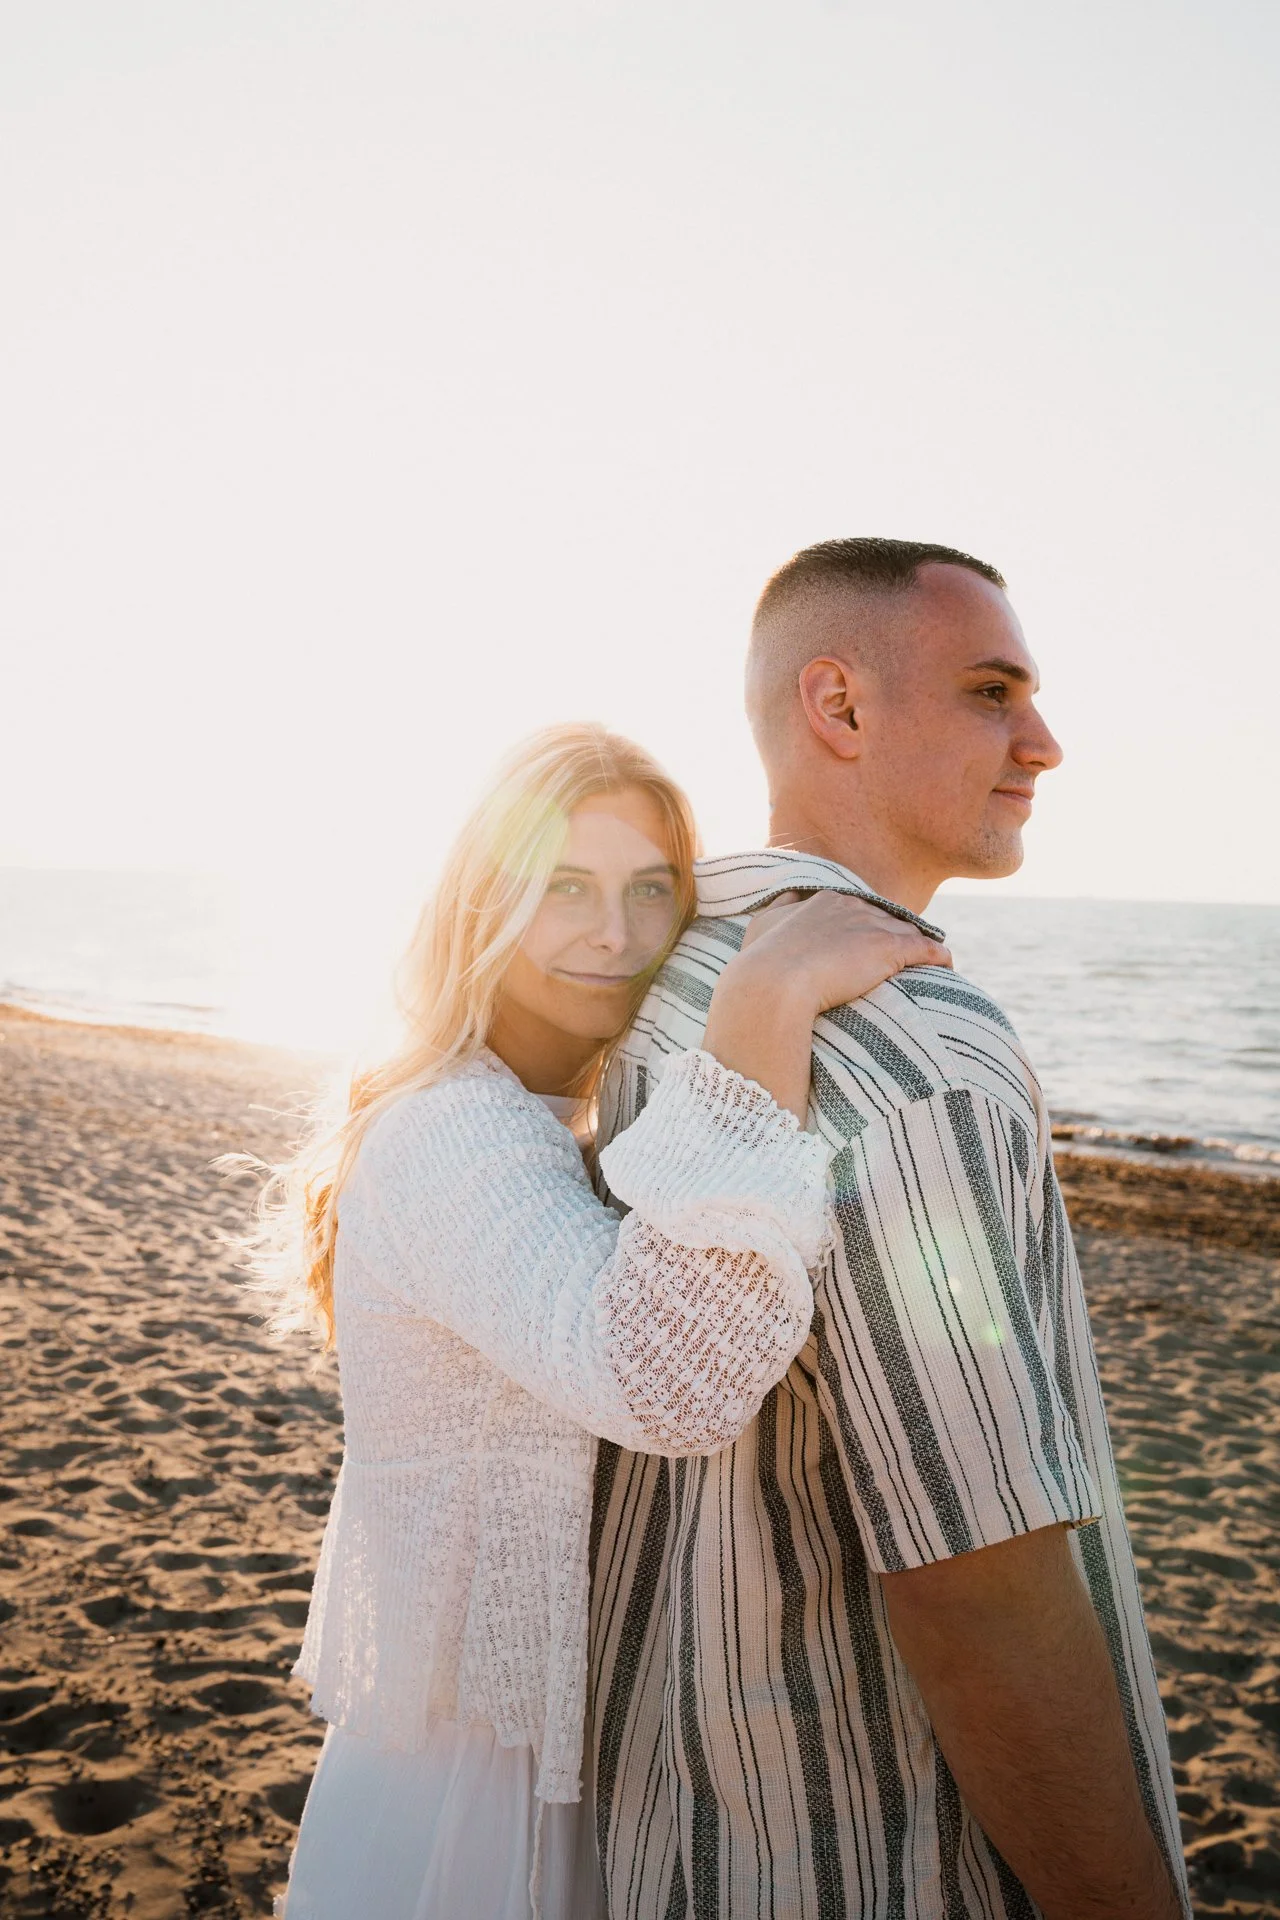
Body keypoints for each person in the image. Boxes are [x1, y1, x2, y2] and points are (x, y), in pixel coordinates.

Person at [246, 723, 947, 1920]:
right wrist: (762, 1003)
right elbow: (666, 1387)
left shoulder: (541, 1120)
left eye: (650, 890)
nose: (614, 936)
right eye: (563, 886)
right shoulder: (454, 1131)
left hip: (540, 1743)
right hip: (476, 1784)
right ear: (483, 901)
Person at [590, 540, 1191, 1920]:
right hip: (872, 1863)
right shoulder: (918, 1055)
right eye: (992, 692)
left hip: (672, 1838)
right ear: (839, 708)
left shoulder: (657, 977)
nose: (1043, 742)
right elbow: (979, 1577)